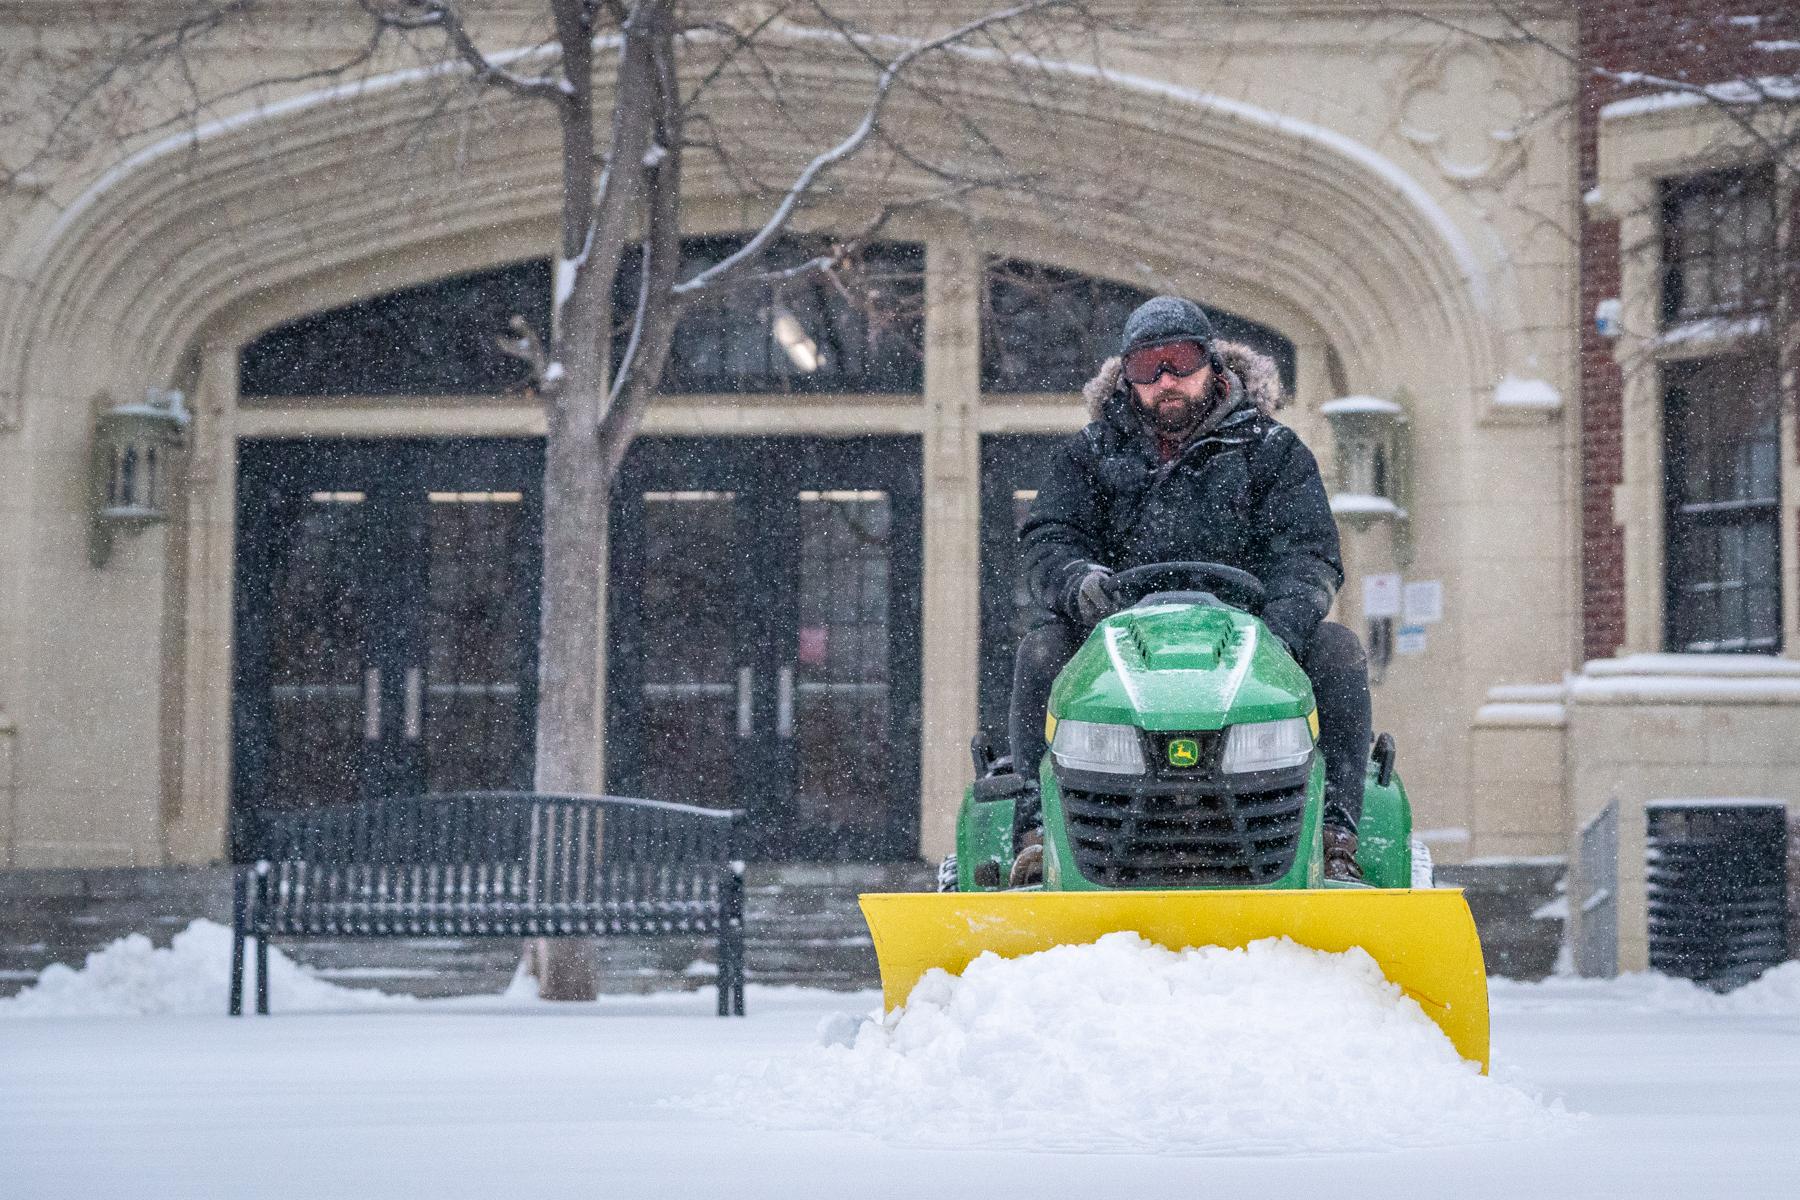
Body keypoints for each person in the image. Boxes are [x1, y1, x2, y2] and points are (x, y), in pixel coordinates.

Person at [1010, 296, 1372, 883]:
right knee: (1042, 649)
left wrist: (1277, 627)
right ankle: (1034, 831)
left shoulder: (1271, 453)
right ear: (1126, 376)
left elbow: (1309, 556)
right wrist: (1078, 584)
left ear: (1213, 364)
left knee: (1336, 650)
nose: (1166, 381)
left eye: (1179, 361)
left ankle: (1335, 833)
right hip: (1115, 637)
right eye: (1147, 369)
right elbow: (1050, 537)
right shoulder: (1090, 456)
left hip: (1251, 639)